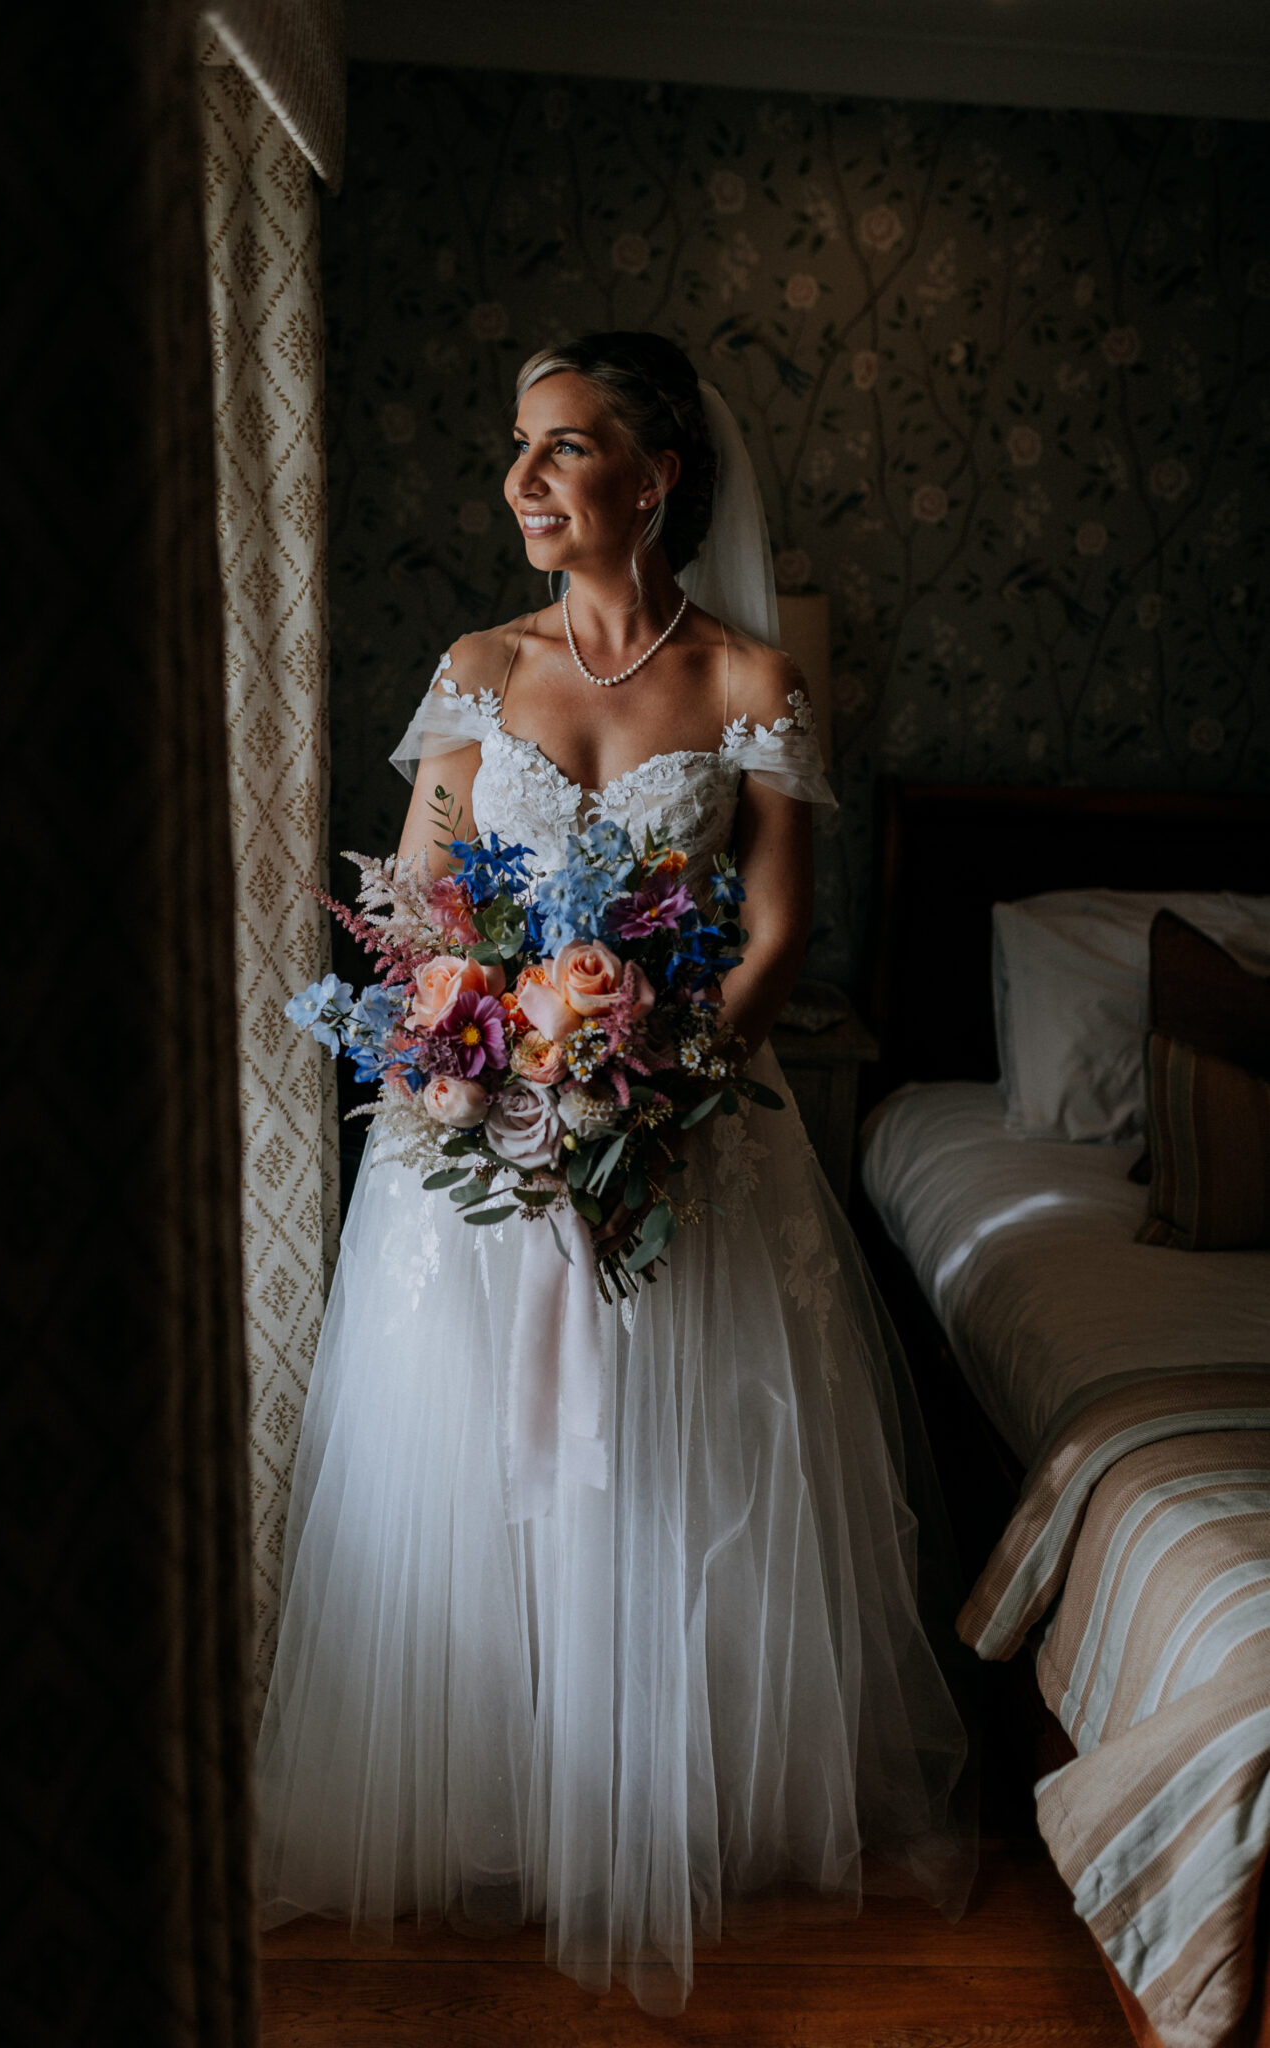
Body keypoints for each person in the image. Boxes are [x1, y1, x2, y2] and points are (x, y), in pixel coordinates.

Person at [256, 331, 973, 2013]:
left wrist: (647, 1089)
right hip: (478, 1144)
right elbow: (425, 904)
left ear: (652, 477)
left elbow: (783, 929)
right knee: (476, 1474)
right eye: (515, 444)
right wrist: (491, 1069)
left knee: (675, 1465)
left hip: (691, 1136)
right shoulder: (475, 668)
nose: (518, 479)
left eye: (560, 446)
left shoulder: (750, 684)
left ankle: (659, 1801)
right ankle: (502, 1796)